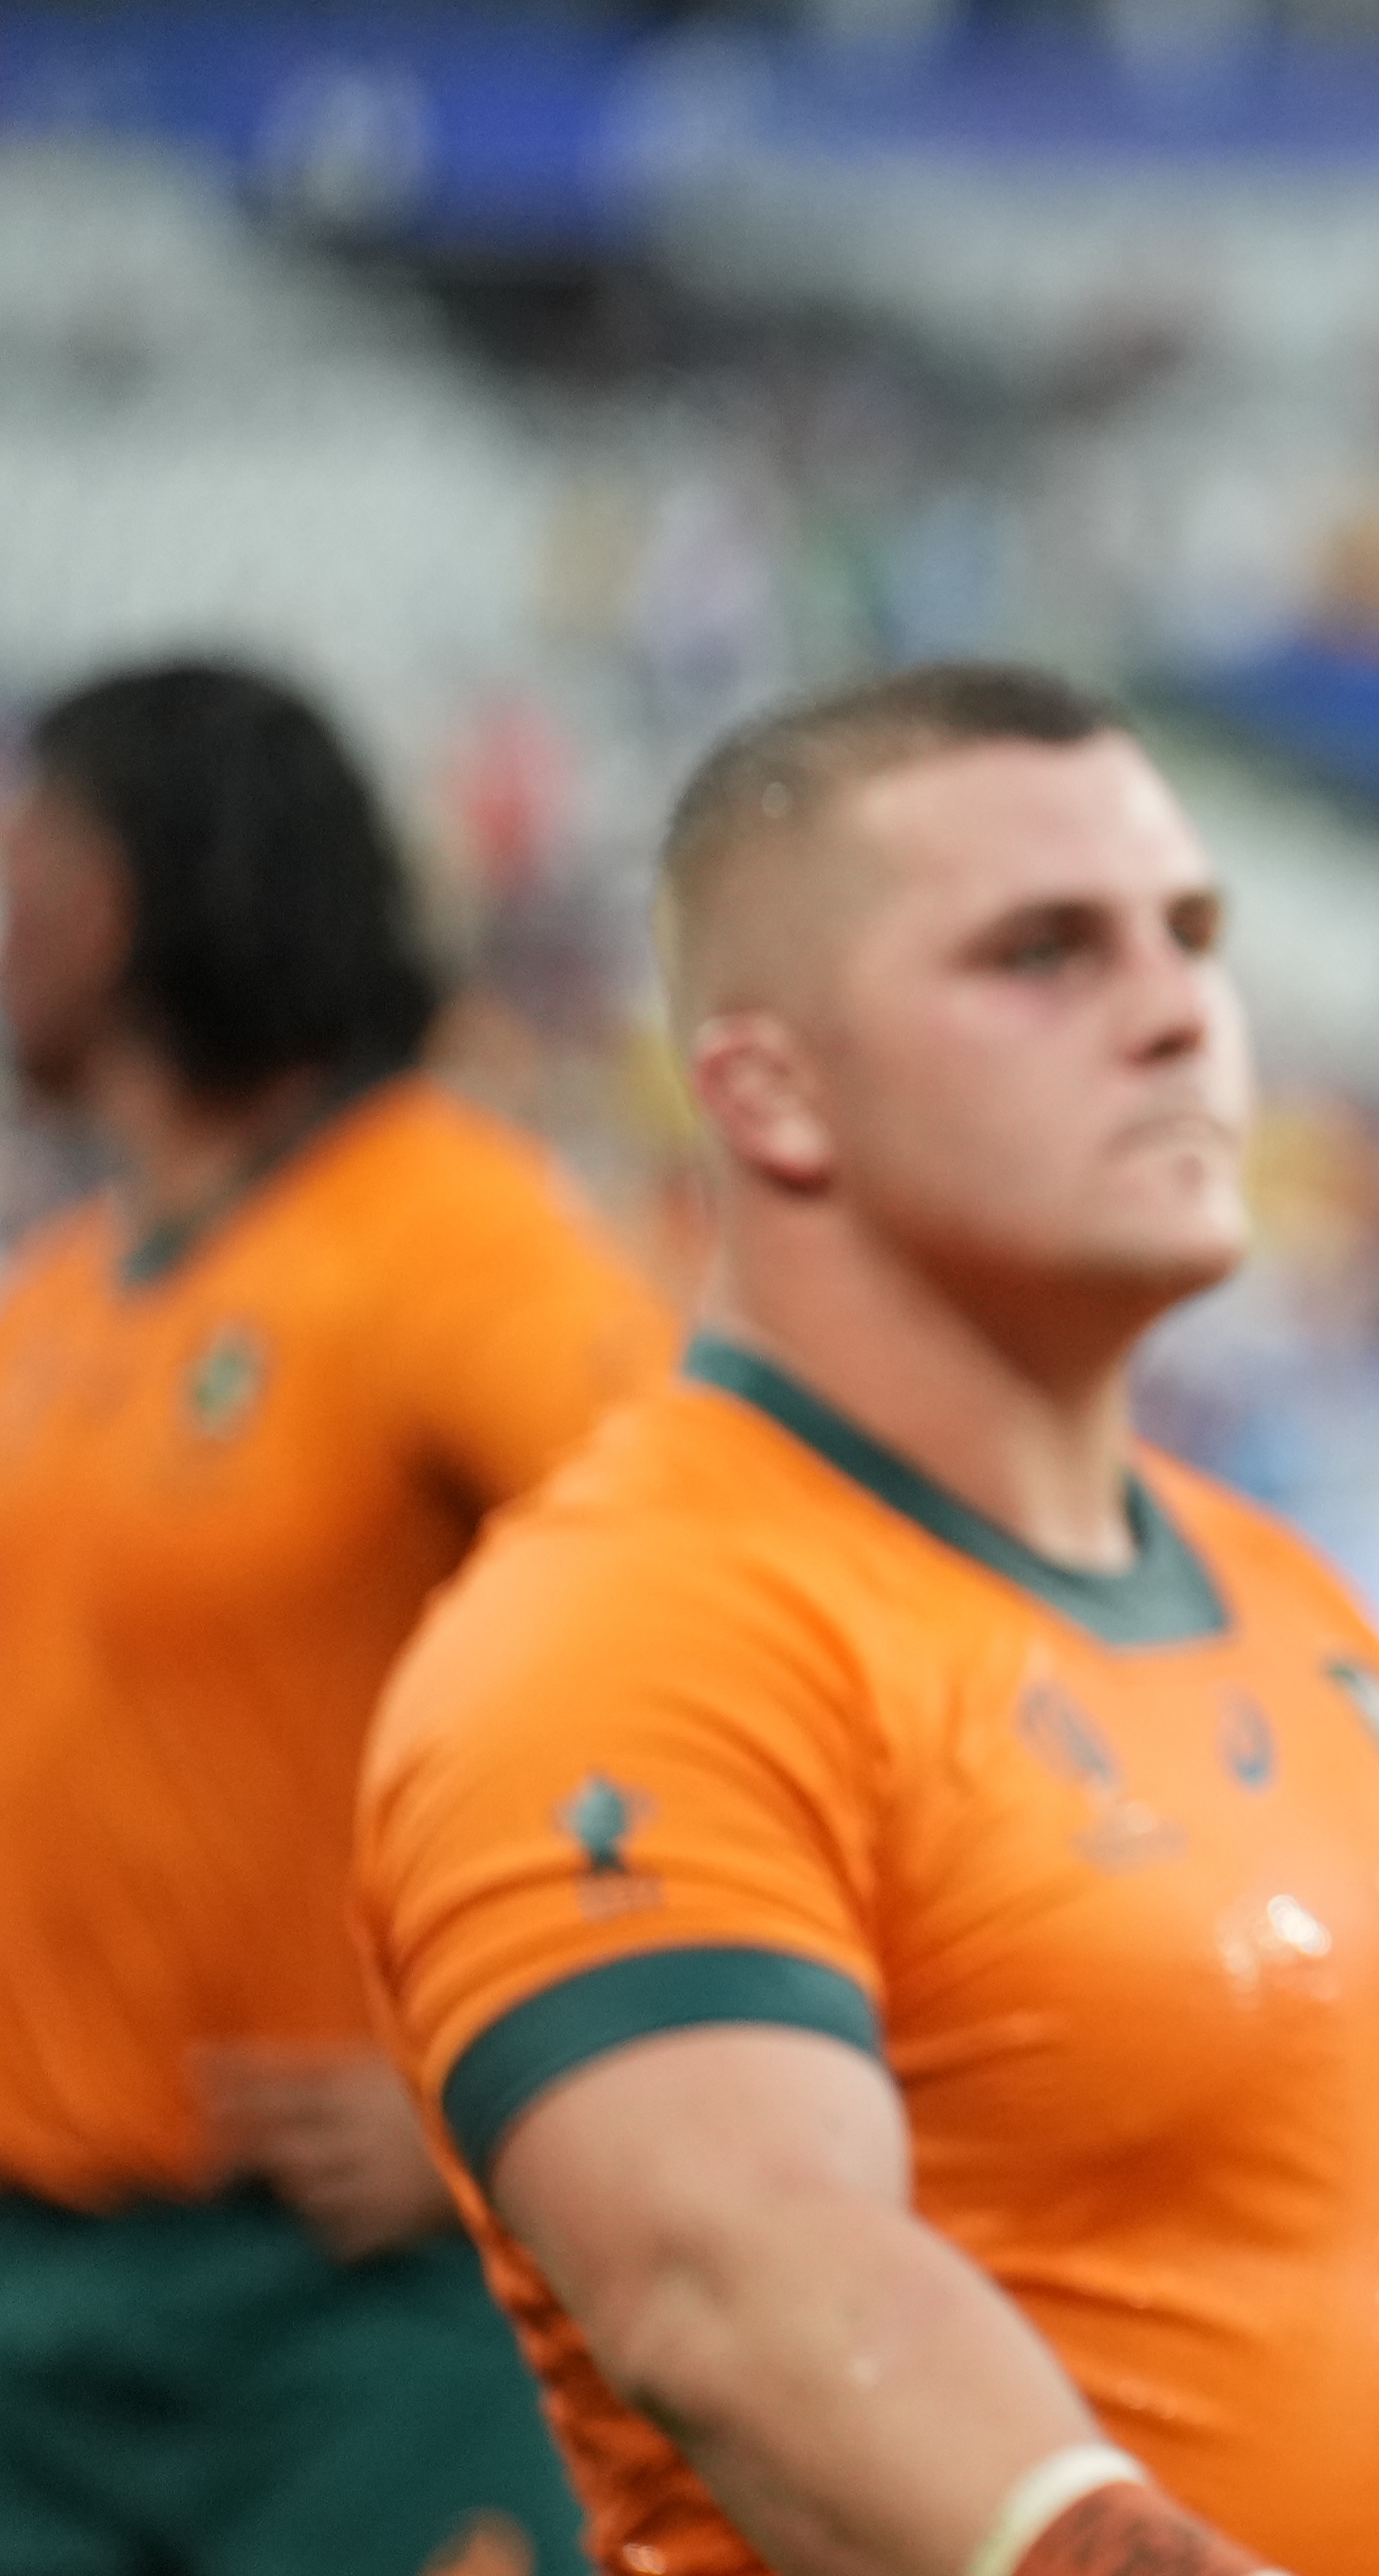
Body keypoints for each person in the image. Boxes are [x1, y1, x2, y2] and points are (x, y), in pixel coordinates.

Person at [357, 667, 1379, 2576]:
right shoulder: (621, 1625)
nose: (1179, 1008)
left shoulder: (1270, 1583)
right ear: (770, 1091)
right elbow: (753, 2292)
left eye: (1191, 933)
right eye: (1045, 952)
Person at [0, 661, 659, 2576]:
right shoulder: (59, 1294)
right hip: (36, 2312)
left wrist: (515, 2096)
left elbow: (733, 1611)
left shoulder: (457, 1234)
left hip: (335, 2325)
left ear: (132, 889)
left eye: (30, 839)